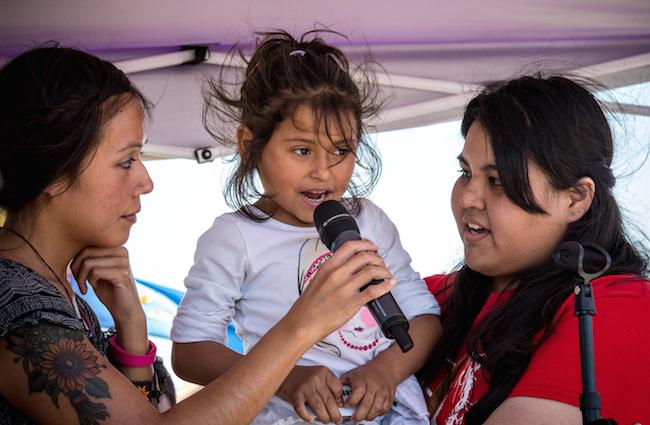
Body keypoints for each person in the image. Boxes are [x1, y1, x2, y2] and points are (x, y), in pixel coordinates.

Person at [0, 46, 398, 425]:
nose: (146, 181)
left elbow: (153, 412)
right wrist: (301, 329)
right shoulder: (15, 305)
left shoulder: (56, 293)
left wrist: (132, 329)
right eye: (126, 161)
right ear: (51, 172)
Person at [171, 30, 442, 424]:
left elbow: (424, 320)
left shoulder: (369, 220)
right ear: (249, 145)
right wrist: (285, 378)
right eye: (302, 150)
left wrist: (386, 371)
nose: (323, 171)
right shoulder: (234, 237)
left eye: (340, 150)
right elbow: (191, 351)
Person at [419, 75, 650, 424]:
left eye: (497, 181)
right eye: (464, 172)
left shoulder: (616, 306)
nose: (467, 197)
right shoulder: (430, 298)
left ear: (576, 199)